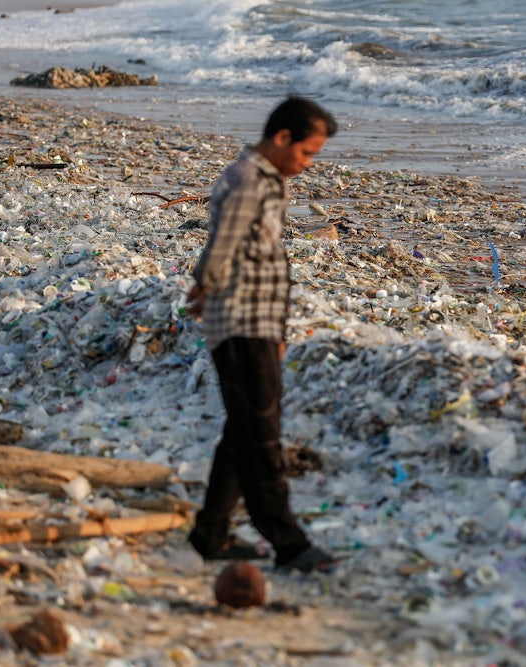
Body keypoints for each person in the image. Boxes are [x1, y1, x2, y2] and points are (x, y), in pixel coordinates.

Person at [185, 96, 339, 573]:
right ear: (281, 138)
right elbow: (223, 245)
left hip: (257, 322)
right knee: (263, 436)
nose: (308, 164)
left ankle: (210, 535)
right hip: (240, 321)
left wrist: (276, 330)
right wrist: (204, 286)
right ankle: (289, 543)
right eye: (307, 153)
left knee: (242, 431)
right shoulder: (251, 180)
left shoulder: (265, 180)